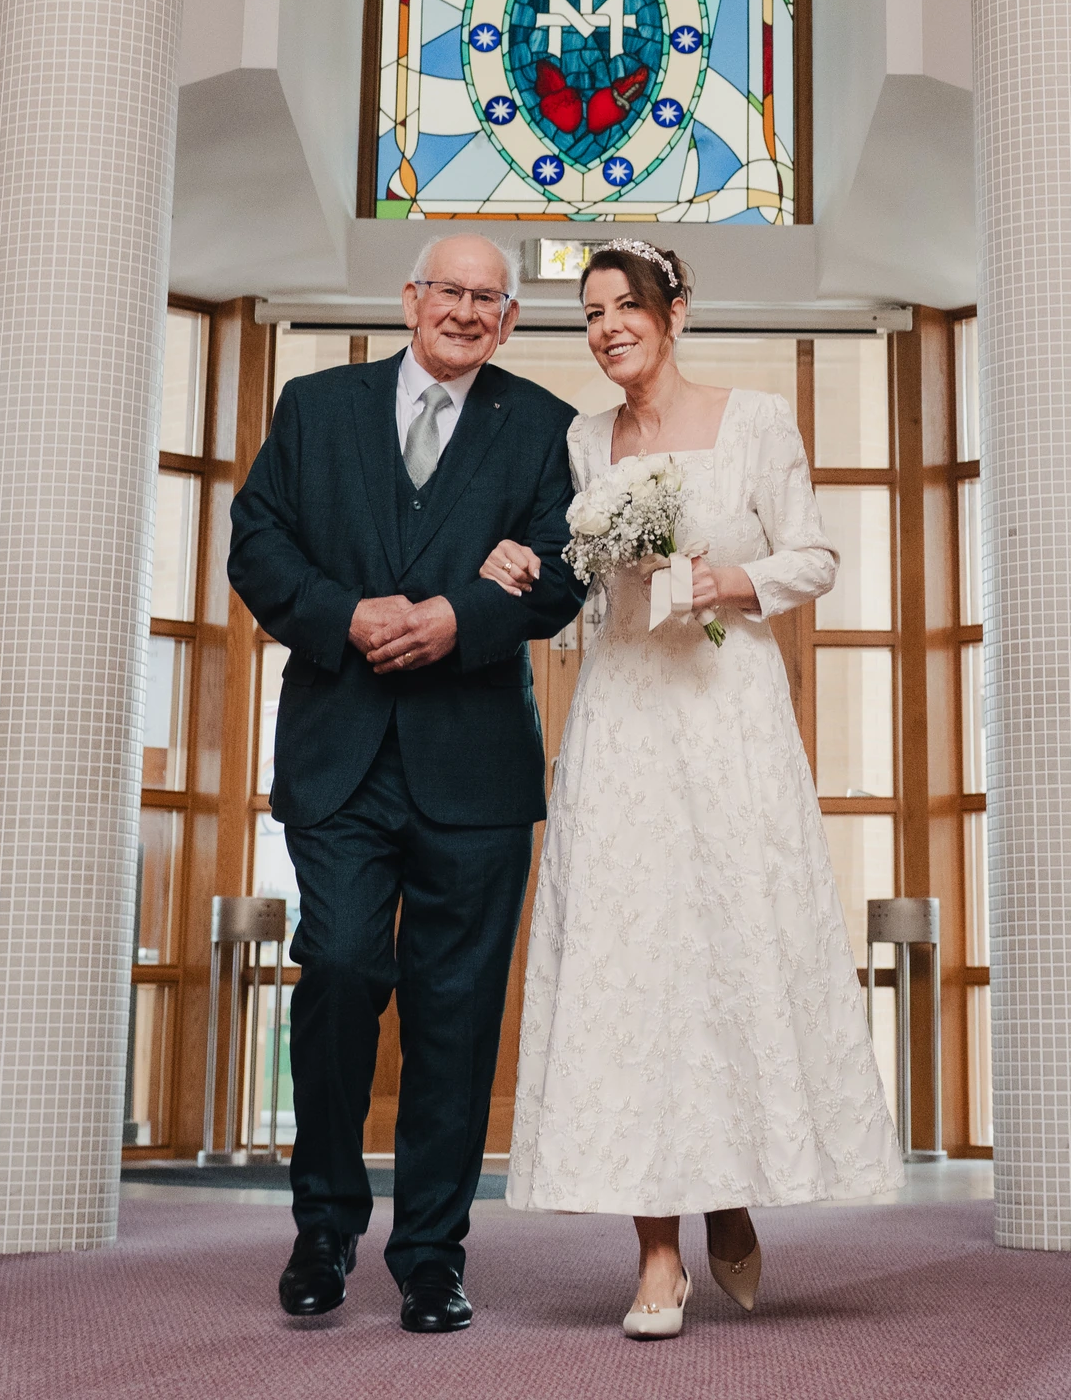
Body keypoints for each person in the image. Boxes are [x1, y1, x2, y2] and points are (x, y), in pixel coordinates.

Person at [483, 239, 903, 1340]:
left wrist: (732, 577)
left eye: (626, 305)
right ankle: (656, 1251)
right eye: (589, 313)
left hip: (726, 715)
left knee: (724, 949)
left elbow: (813, 557)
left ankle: (729, 1189)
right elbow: (567, 571)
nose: (607, 325)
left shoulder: (755, 420)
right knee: (631, 965)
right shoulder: (579, 440)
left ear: (675, 313)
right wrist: (521, 566)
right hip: (622, 716)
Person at [228, 233, 587, 1334]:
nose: (466, 312)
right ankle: (325, 1224)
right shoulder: (314, 406)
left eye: (490, 298)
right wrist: (346, 615)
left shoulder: (542, 429)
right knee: (336, 965)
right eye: (450, 292)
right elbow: (257, 543)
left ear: (512, 318)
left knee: (457, 1012)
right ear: (410, 299)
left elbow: (562, 570)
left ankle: (432, 1251)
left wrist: (456, 618)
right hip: (339, 754)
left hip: (475, 765)